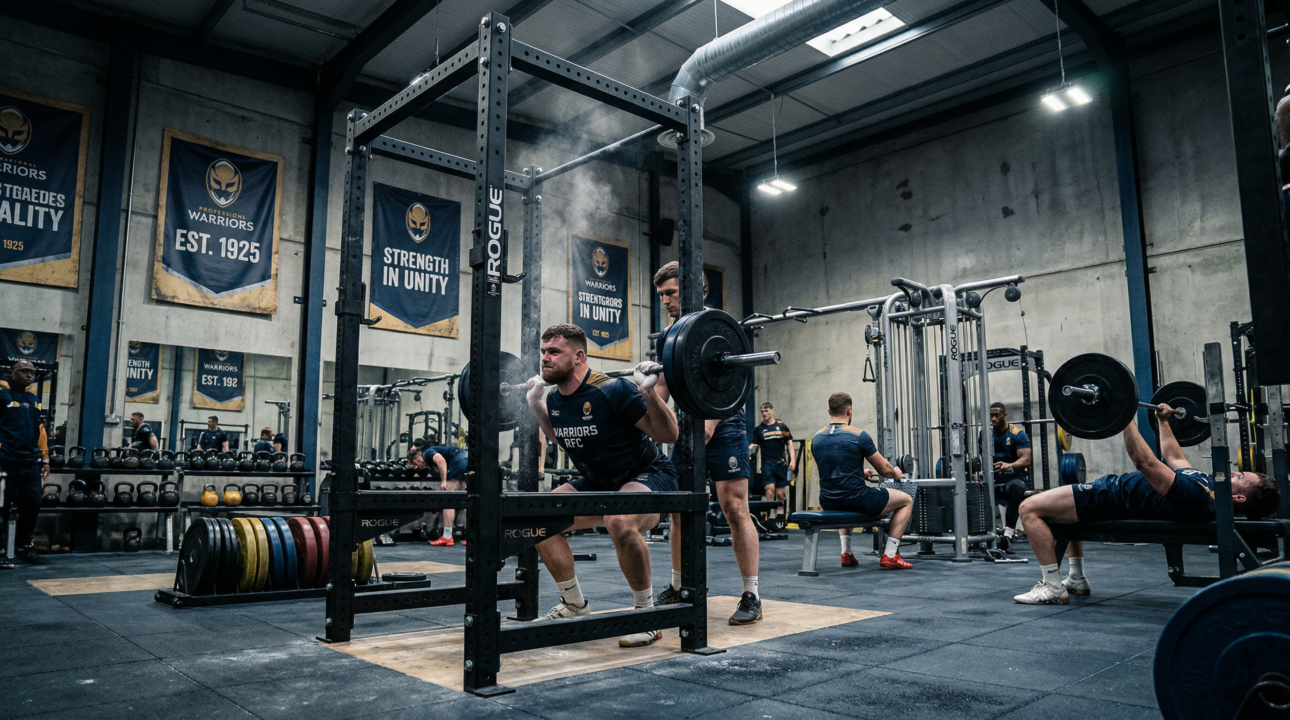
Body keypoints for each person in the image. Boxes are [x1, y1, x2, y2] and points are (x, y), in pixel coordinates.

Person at [1014, 404, 1282, 605]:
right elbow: (1174, 458)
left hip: (1111, 498)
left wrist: (1124, 417)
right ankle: (1076, 578)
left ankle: (1052, 587)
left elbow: (1146, 463)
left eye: (1241, 477)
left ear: (1239, 498)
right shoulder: (1208, 487)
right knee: (1059, 508)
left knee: (1029, 508)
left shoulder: (1198, 498)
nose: (1235, 472)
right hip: (1111, 492)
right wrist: (1163, 421)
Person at [523, 323, 679, 647]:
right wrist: (536, 404)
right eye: (544, 352)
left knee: (618, 517)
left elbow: (668, 435)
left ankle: (646, 616)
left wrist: (649, 393)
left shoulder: (613, 390)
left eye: (554, 352)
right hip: (599, 482)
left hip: (649, 475)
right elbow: (561, 436)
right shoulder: (554, 399)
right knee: (539, 517)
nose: (545, 359)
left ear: (579, 356)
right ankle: (574, 605)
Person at [652, 261, 764, 626]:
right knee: (680, 509)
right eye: (661, 295)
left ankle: (751, 593)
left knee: (734, 507)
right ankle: (679, 585)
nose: (666, 300)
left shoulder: (717, 325)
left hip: (725, 422)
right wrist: (647, 418)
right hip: (684, 428)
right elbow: (662, 389)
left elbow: (733, 381)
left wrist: (711, 421)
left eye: (670, 293)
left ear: (691, 289)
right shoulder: (667, 337)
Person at [810, 392, 914, 570]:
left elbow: (835, 469)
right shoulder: (859, 435)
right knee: (906, 500)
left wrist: (858, 472)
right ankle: (890, 554)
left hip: (828, 501)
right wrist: (896, 473)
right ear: (849, 410)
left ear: (829, 411)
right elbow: (885, 470)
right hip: (857, 499)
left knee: (843, 499)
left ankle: (847, 553)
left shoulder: (817, 438)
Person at [1, 361, 50, 567]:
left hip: (29, 462)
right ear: (12, 372)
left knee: (32, 504)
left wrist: (45, 458)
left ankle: (23, 546)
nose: (29, 375)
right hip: (4, 461)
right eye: (24, 371)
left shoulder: (33, 399)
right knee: (1, 507)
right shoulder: (2, 394)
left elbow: (39, 429)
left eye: (32, 372)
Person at [987, 403, 1031, 552]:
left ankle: (1007, 535)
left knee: (1015, 488)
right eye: (991, 415)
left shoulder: (1017, 433)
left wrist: (1009, 466)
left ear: (1005, 415)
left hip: (1014, 477)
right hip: (993, 479)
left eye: (997, 415)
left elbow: (1026, 460)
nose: (993, 419)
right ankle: (990, 534)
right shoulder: (985, 434)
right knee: (977, 490)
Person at [410, 444, 467, 545]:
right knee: (467, 500)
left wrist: (444, 481)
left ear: (418, 457)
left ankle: (447, 536)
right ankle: (474, 536)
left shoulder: (427, 453)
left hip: (459, 461)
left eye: (415, 463)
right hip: (468, 459)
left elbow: (441, 461)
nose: (417, 467)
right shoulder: (433, 455)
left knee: (448, 499)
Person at [750, 402, 795, 526]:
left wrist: (792, 460)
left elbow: (789, 443)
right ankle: (771, 516)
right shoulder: (759, 430)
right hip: (767, 465)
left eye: (767, 411)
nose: (764, 413)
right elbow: (754, 445)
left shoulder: (782, 426)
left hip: (781, 464)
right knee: (769, 491)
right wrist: (746, 452)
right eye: (762, 411)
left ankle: (781, 517)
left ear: (772, 411)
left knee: (780, 493)